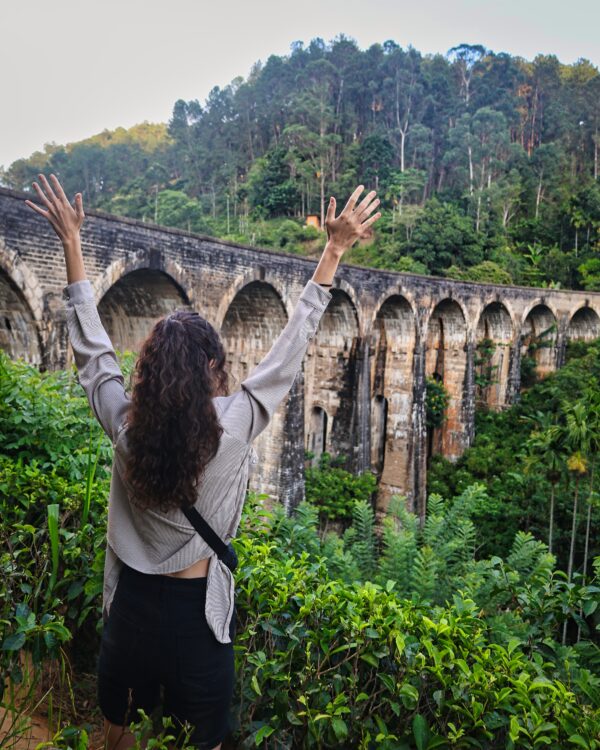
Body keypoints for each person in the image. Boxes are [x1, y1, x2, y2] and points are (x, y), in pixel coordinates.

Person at [25, 174, 381, 750]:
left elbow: (93, 353)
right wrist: (333, 251)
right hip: (199, 620)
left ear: (148, 370)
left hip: (132, 613)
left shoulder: (125, 426)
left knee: (117, 737)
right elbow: (289, 350)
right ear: (214, 367)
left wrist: (71, 243)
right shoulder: (235, 425)